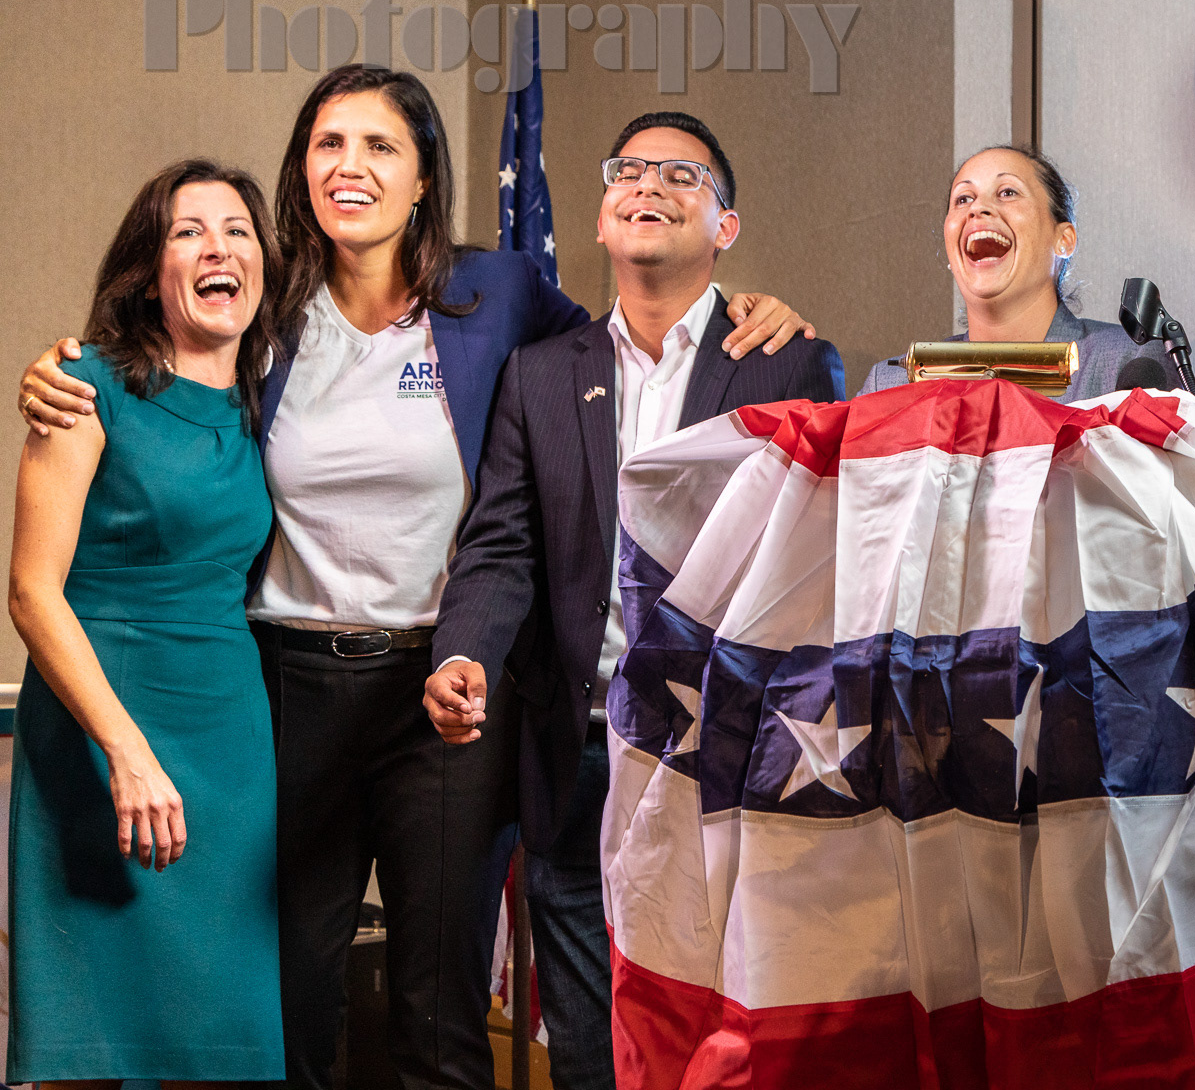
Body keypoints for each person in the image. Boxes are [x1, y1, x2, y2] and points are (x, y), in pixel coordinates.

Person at [15, 67, 815, 1090]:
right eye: (328, 144)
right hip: (284, 689)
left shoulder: (499, 294)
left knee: (439, 1015)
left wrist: (747, 305)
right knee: (292, 998)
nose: (349, 166)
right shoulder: (267, 305)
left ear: (425, 175)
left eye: (380, 146)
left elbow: (625, 337)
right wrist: (66, 366)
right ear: (302, 168)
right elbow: (165, 367)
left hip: (444, 695)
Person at [422, 110, 843, 1090]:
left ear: (725, 226)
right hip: (577, 749)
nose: (648, 183)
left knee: (723, 1026)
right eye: (628, 171)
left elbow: (817, 566)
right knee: (587, 1036)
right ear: (603, 217)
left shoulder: (786, 362)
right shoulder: (540, 374)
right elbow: (502, 545)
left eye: (681, 174)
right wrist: (463, 651)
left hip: (730, 748)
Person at [8, 160, 285, 1082]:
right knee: (96, 1045)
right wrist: (125, 752)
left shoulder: (268, 401)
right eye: (188, 231)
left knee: (225, 1041)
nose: (218, 248)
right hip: (101, 736)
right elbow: (31, 591)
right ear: (148, 269)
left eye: (237, 231)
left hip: (229, 745)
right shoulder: (83, 387)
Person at [858, 144, 1176, 399]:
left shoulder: (1127, 362)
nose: (977, 208)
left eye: (1007, 192)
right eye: (963, 198)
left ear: (1064, 240)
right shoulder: (890, 385)